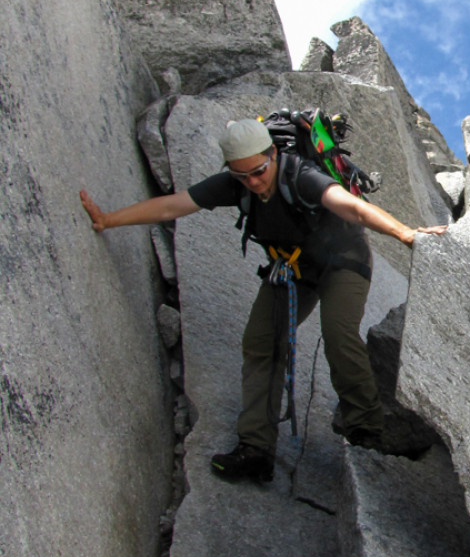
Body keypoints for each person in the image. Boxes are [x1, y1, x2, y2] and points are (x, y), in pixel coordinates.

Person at [80, 117, 448, 483]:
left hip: (343, 262)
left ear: (272, 153)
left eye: (258, 171)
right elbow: (171, 207)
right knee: (259, 345)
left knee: (338, 335)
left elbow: (351, 206)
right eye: (242, 177)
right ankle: (256, 449)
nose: (253, 183)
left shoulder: (300, 175)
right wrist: (108, 220)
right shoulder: (235, 184)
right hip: (293, 268)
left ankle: (367, 431)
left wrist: (405, 233)